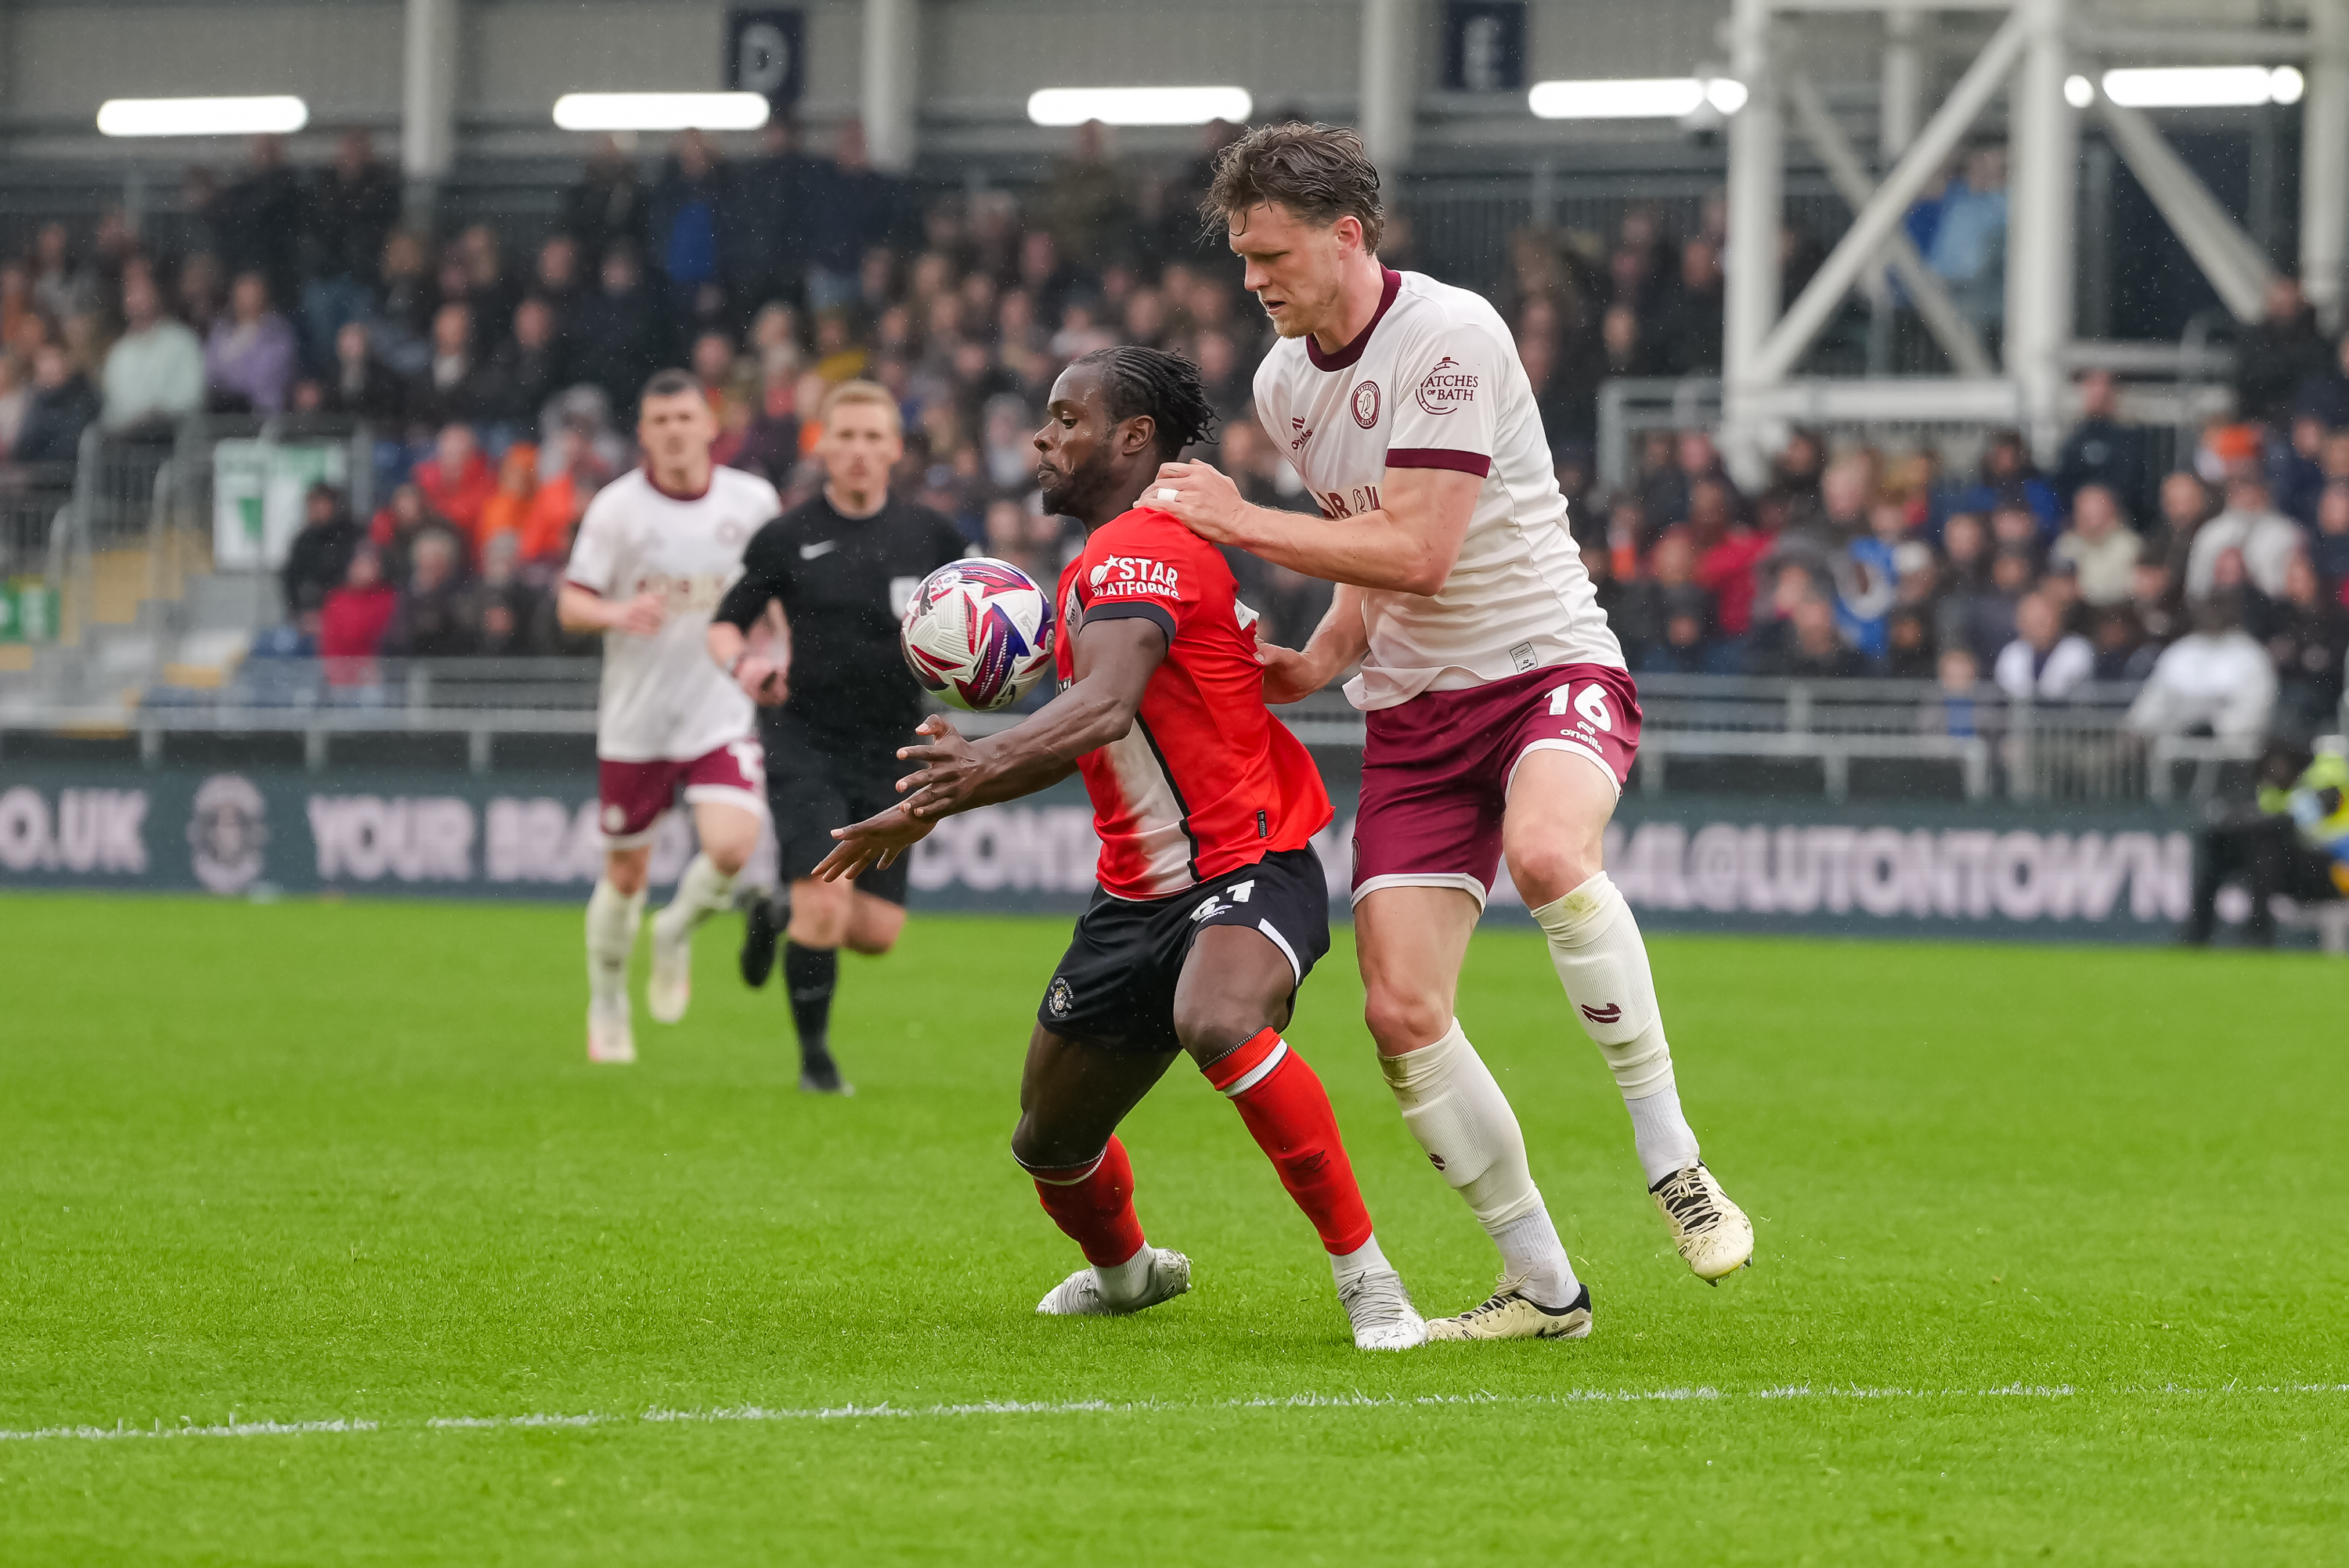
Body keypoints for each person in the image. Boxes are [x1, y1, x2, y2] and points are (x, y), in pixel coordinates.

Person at [1153, 123, 1751, 1344]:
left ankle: (1673, 1157)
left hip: (1545, 668)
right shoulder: (1284, 382)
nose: (1254, 279)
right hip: (1416, 716)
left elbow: (1420, 547)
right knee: (1399, 1012)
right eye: (1242, 259)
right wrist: (1321, 657)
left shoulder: (1452, 336)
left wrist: (1238, 520)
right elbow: (1371, 555)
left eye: (1272, 254)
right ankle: (1542, 1283)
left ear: (1348, 236)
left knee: (1547, 855)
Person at [817, 346, 1426, 1350]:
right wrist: (954, 791)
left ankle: (1369, 1276)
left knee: (1219, 1017)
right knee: (1050, 1142)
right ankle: (1128, 1273)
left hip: (1249, 864)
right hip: (1134, 899)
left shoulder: (1144, 548)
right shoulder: (1106, 559)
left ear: (1134, 438)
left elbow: (1098, 707)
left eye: (1066, 418)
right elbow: (1096, 724)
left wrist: (973, 769)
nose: (1043, 437)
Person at [704, 381, 972, 1094]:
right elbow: (725, 622)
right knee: (826, 901)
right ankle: (816, 1064)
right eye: (842, 436)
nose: (856, 451)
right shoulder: (788, 534)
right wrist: (745, 664)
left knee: (877, 931)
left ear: (893, 447)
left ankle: (779, 909)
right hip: (804, 737)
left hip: (895, 746)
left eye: (870, 437)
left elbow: (982, 618)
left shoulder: (933, 535)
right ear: (822, 445)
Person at [556, 369, 783, 1065]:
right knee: (625, 875)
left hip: (720, 708)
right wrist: (616, 612)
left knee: (732, 849)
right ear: (644, 433)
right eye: (661, 422)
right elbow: (570, 603)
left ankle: (678, 927)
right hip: (638, 718)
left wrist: (777, 655)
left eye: (686, 418)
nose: (676, 432)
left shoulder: (753, 501)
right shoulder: (617, 510)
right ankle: (607, 1000)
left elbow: (774, 597)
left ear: (710, 425)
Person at [2186, 739, 2349, 946]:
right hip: (2304, 867)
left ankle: (2259, 931)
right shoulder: (2271, 789)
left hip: (2339, 865)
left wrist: (2246, 820)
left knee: (2265, 846)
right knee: (2226, 845)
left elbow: (2302, 817)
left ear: (2295, 762)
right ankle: (2198, 934)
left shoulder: (2326, 771)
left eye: (2279, 764)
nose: (2274, 772)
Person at [101, 269, 204, 435]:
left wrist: (156, 412)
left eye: (143, 292)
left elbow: (192, 395)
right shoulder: (120, 351)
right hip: (128, 440)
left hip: (173, 437)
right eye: (132, 292)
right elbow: (113, 406)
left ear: (157, 295)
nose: (137, 300)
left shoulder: (182, 341)